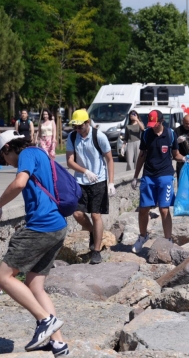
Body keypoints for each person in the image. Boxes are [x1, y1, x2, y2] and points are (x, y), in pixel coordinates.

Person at [0, 130, 69, 356]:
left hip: (41, 226)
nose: (6, 162)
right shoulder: (40, 153)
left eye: (4, 158)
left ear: (7, 148)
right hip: (58, 225)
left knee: (2, 276)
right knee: (35, 285)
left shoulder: (25, 154)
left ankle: (45, 321)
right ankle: (58, 343)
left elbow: (19, 183)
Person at [130, 110, 188, 253]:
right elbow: (142, 156)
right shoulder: (146, 134)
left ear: (161, 121)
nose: (153, 127)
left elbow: (175, 154)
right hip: (148, 175)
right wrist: (135, 176)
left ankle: (168, 239)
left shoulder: (170, 134)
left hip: (165, 175)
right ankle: (143, 236)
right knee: (143, 209)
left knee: (164, 209)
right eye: (151, 124)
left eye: (155, 124)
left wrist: (185, 158)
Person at [66, 109, 116, 265]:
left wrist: (111, 182)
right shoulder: (73, 137)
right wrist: (85, 171)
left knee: (96, 215)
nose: (77, 130)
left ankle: (96, 250)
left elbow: (109, 160)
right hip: (81, 180)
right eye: (75, 127)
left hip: (98, 180)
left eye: (80, 126)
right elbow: (69, 161)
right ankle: (94, 233)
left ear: (87, 123)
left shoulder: (99, 136)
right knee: (77, 213)